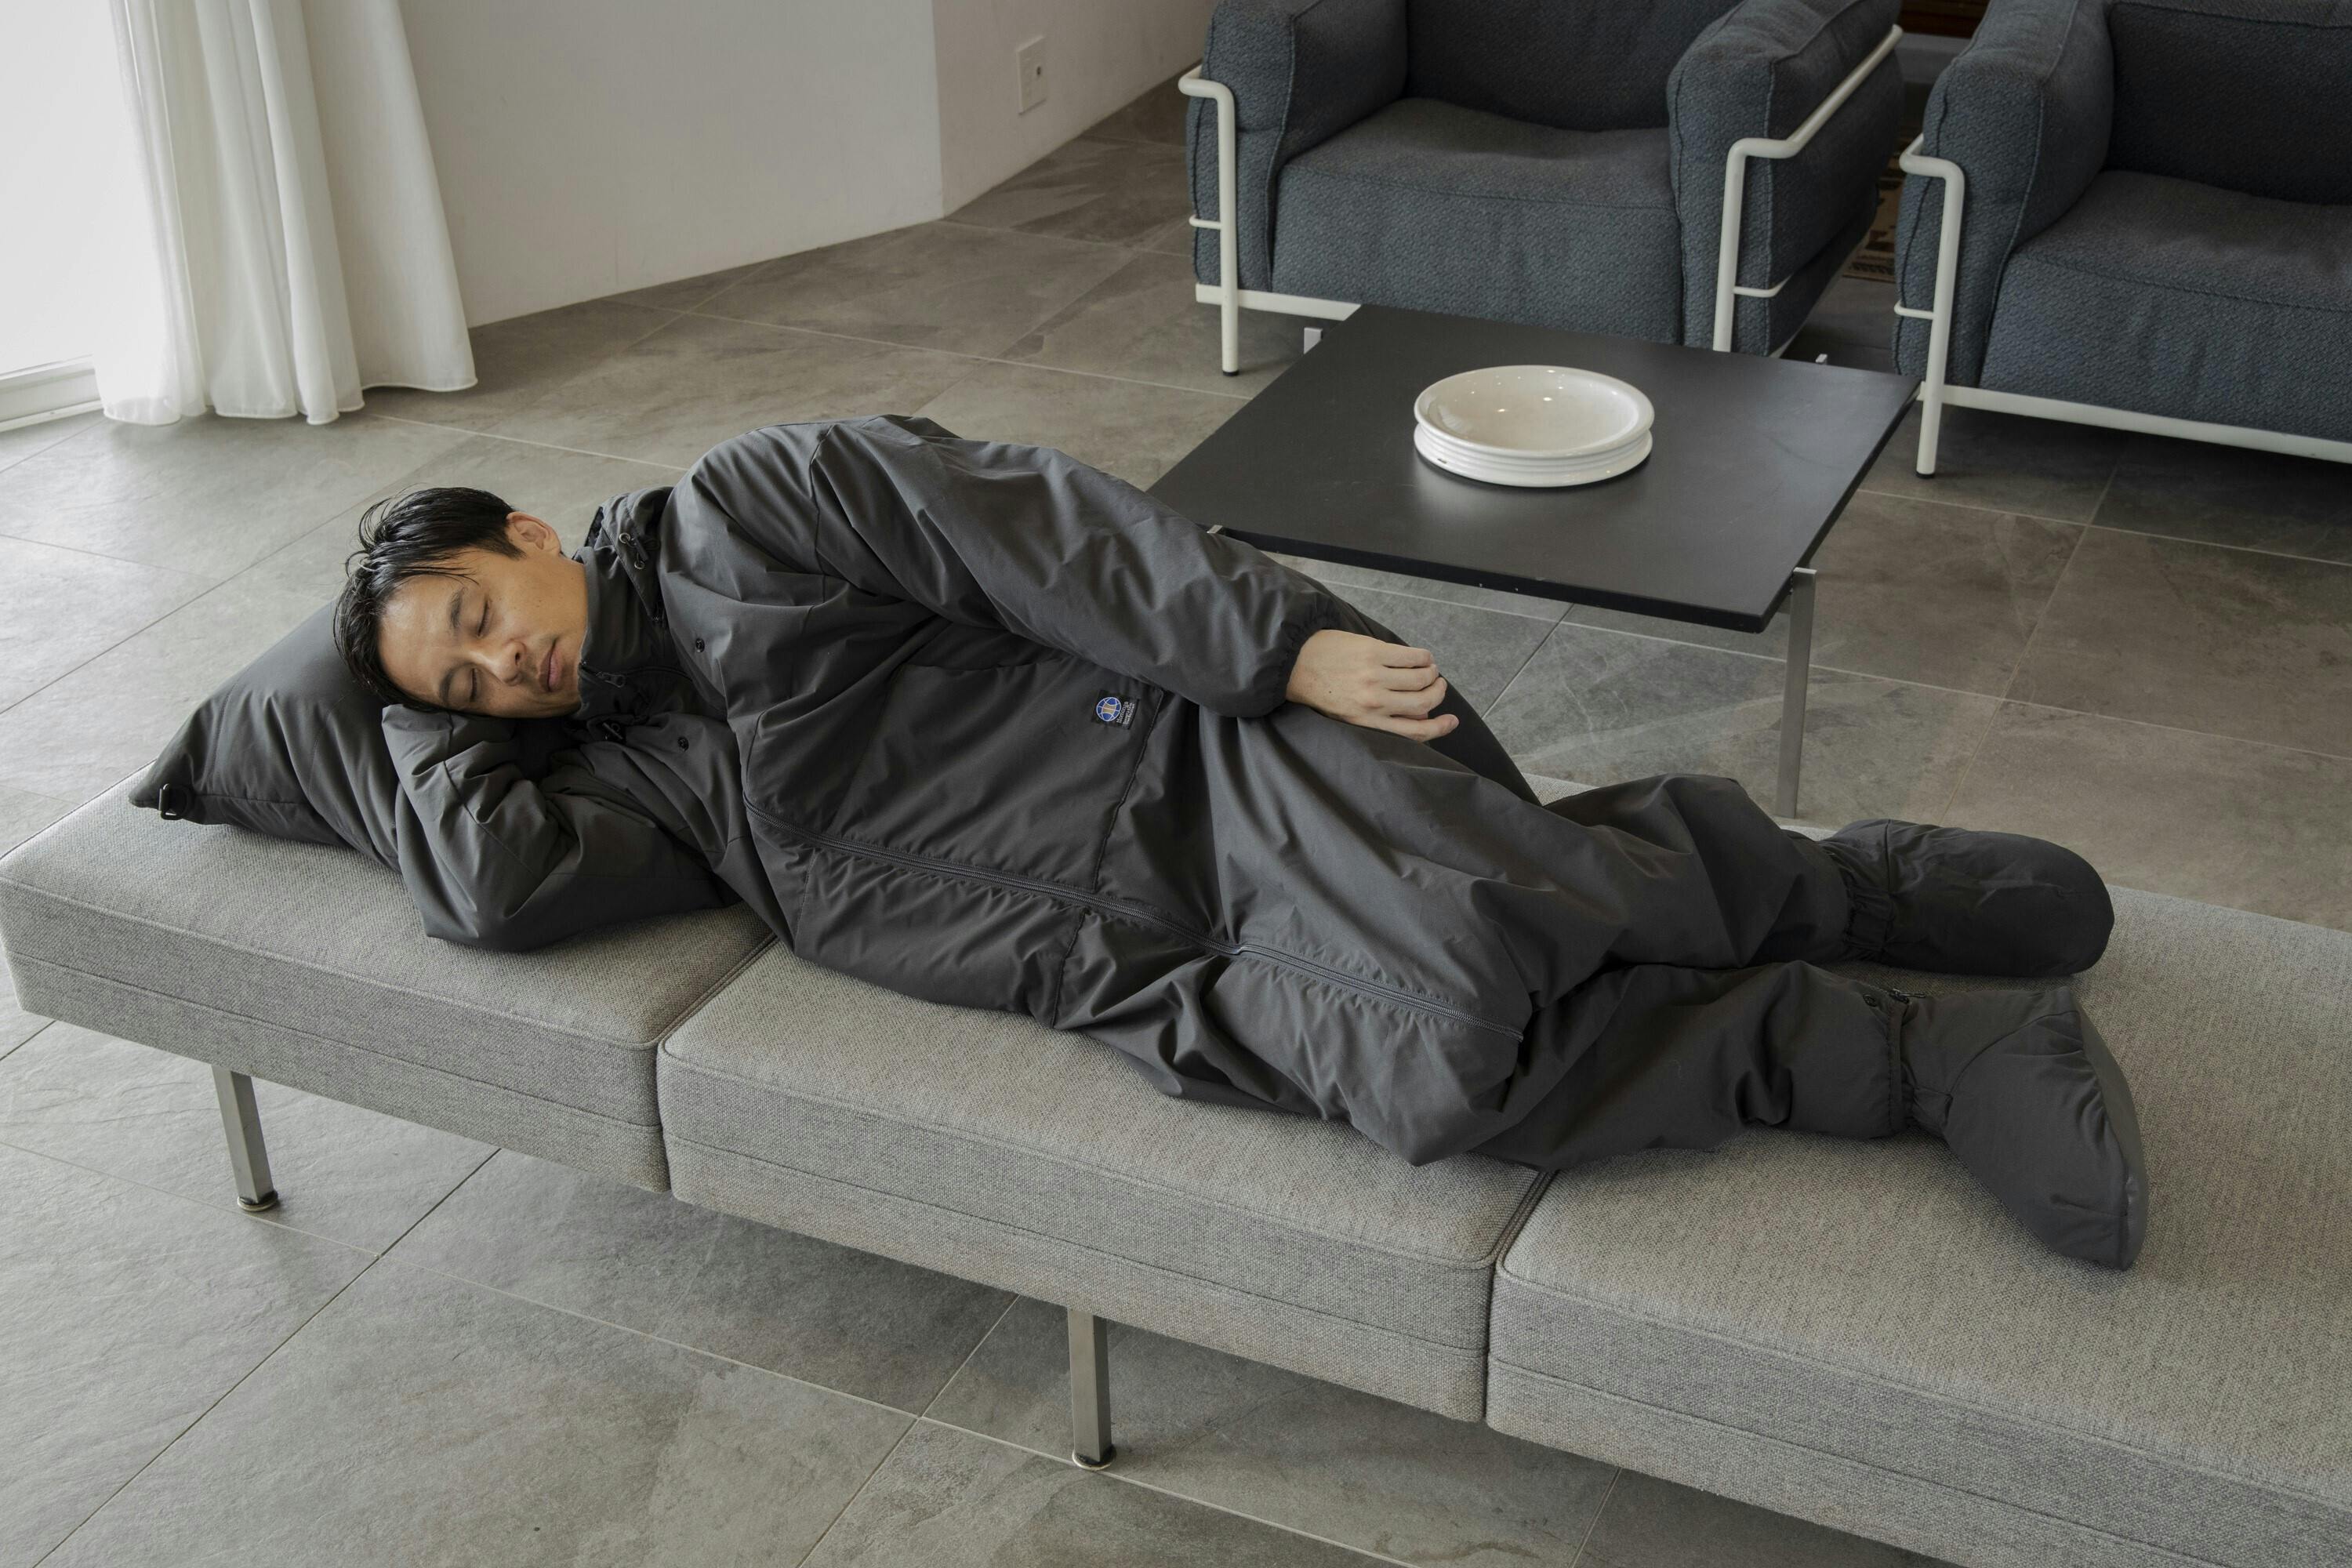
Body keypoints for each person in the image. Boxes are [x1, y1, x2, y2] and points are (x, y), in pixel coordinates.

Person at [332, 414, 2148, 1270]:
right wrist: (401, 704)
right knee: (1452, 1076)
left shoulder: (750, 506)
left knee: (1479, 942)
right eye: (465, 682)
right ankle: (1911, 1041)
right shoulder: (640, 774)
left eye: (480, 613)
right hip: (1126, 965)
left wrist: (1273, 648)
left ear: (527, 529)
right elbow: (492, 884)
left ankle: (1855, 898)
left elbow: (1044, 528)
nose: (503, 665)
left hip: (1194, 766)